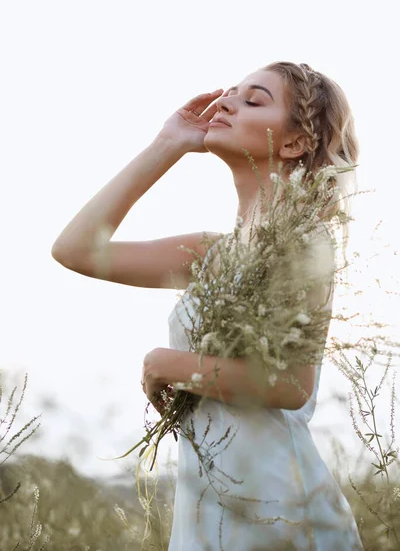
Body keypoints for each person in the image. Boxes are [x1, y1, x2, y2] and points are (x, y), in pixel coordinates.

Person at [52, 61, 364, 550]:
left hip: (278, 507)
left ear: (293, 143)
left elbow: (290, 384)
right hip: (208, 505)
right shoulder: (209, 254)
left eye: (254, 99)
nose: (226, 102)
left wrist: (172, 364)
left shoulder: (304, 240)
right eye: (230, 93)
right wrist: (168, 145)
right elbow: (75, 250)